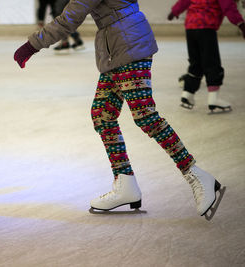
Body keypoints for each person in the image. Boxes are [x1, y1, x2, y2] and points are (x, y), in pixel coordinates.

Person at [14, 0, 225, 220]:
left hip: (128, 44)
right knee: (102, 114)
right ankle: (125, 183)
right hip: (118, 46)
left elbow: (70, 18)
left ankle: (197, 175)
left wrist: (31, 45)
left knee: (146, 117)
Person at [168, 0, 245, 112]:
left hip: (190, 27)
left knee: (196, 62)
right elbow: (228, 5)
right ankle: (213, 99)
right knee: (211, 62)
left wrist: (174, 12)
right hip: (206, 27)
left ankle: (188, 94)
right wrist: (240, 24)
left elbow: (184, 1)